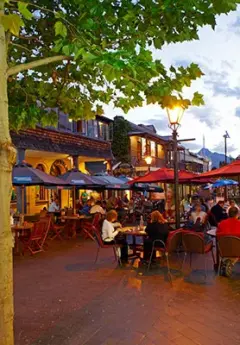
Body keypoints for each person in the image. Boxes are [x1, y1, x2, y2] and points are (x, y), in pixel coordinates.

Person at [217, 207, 240, 276]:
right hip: (237, 251)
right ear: (237, 215)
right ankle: (230, 262)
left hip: (224, 250)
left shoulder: (221, 223)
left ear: (228, 214)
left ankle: (227, 261)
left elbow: (217, 235)